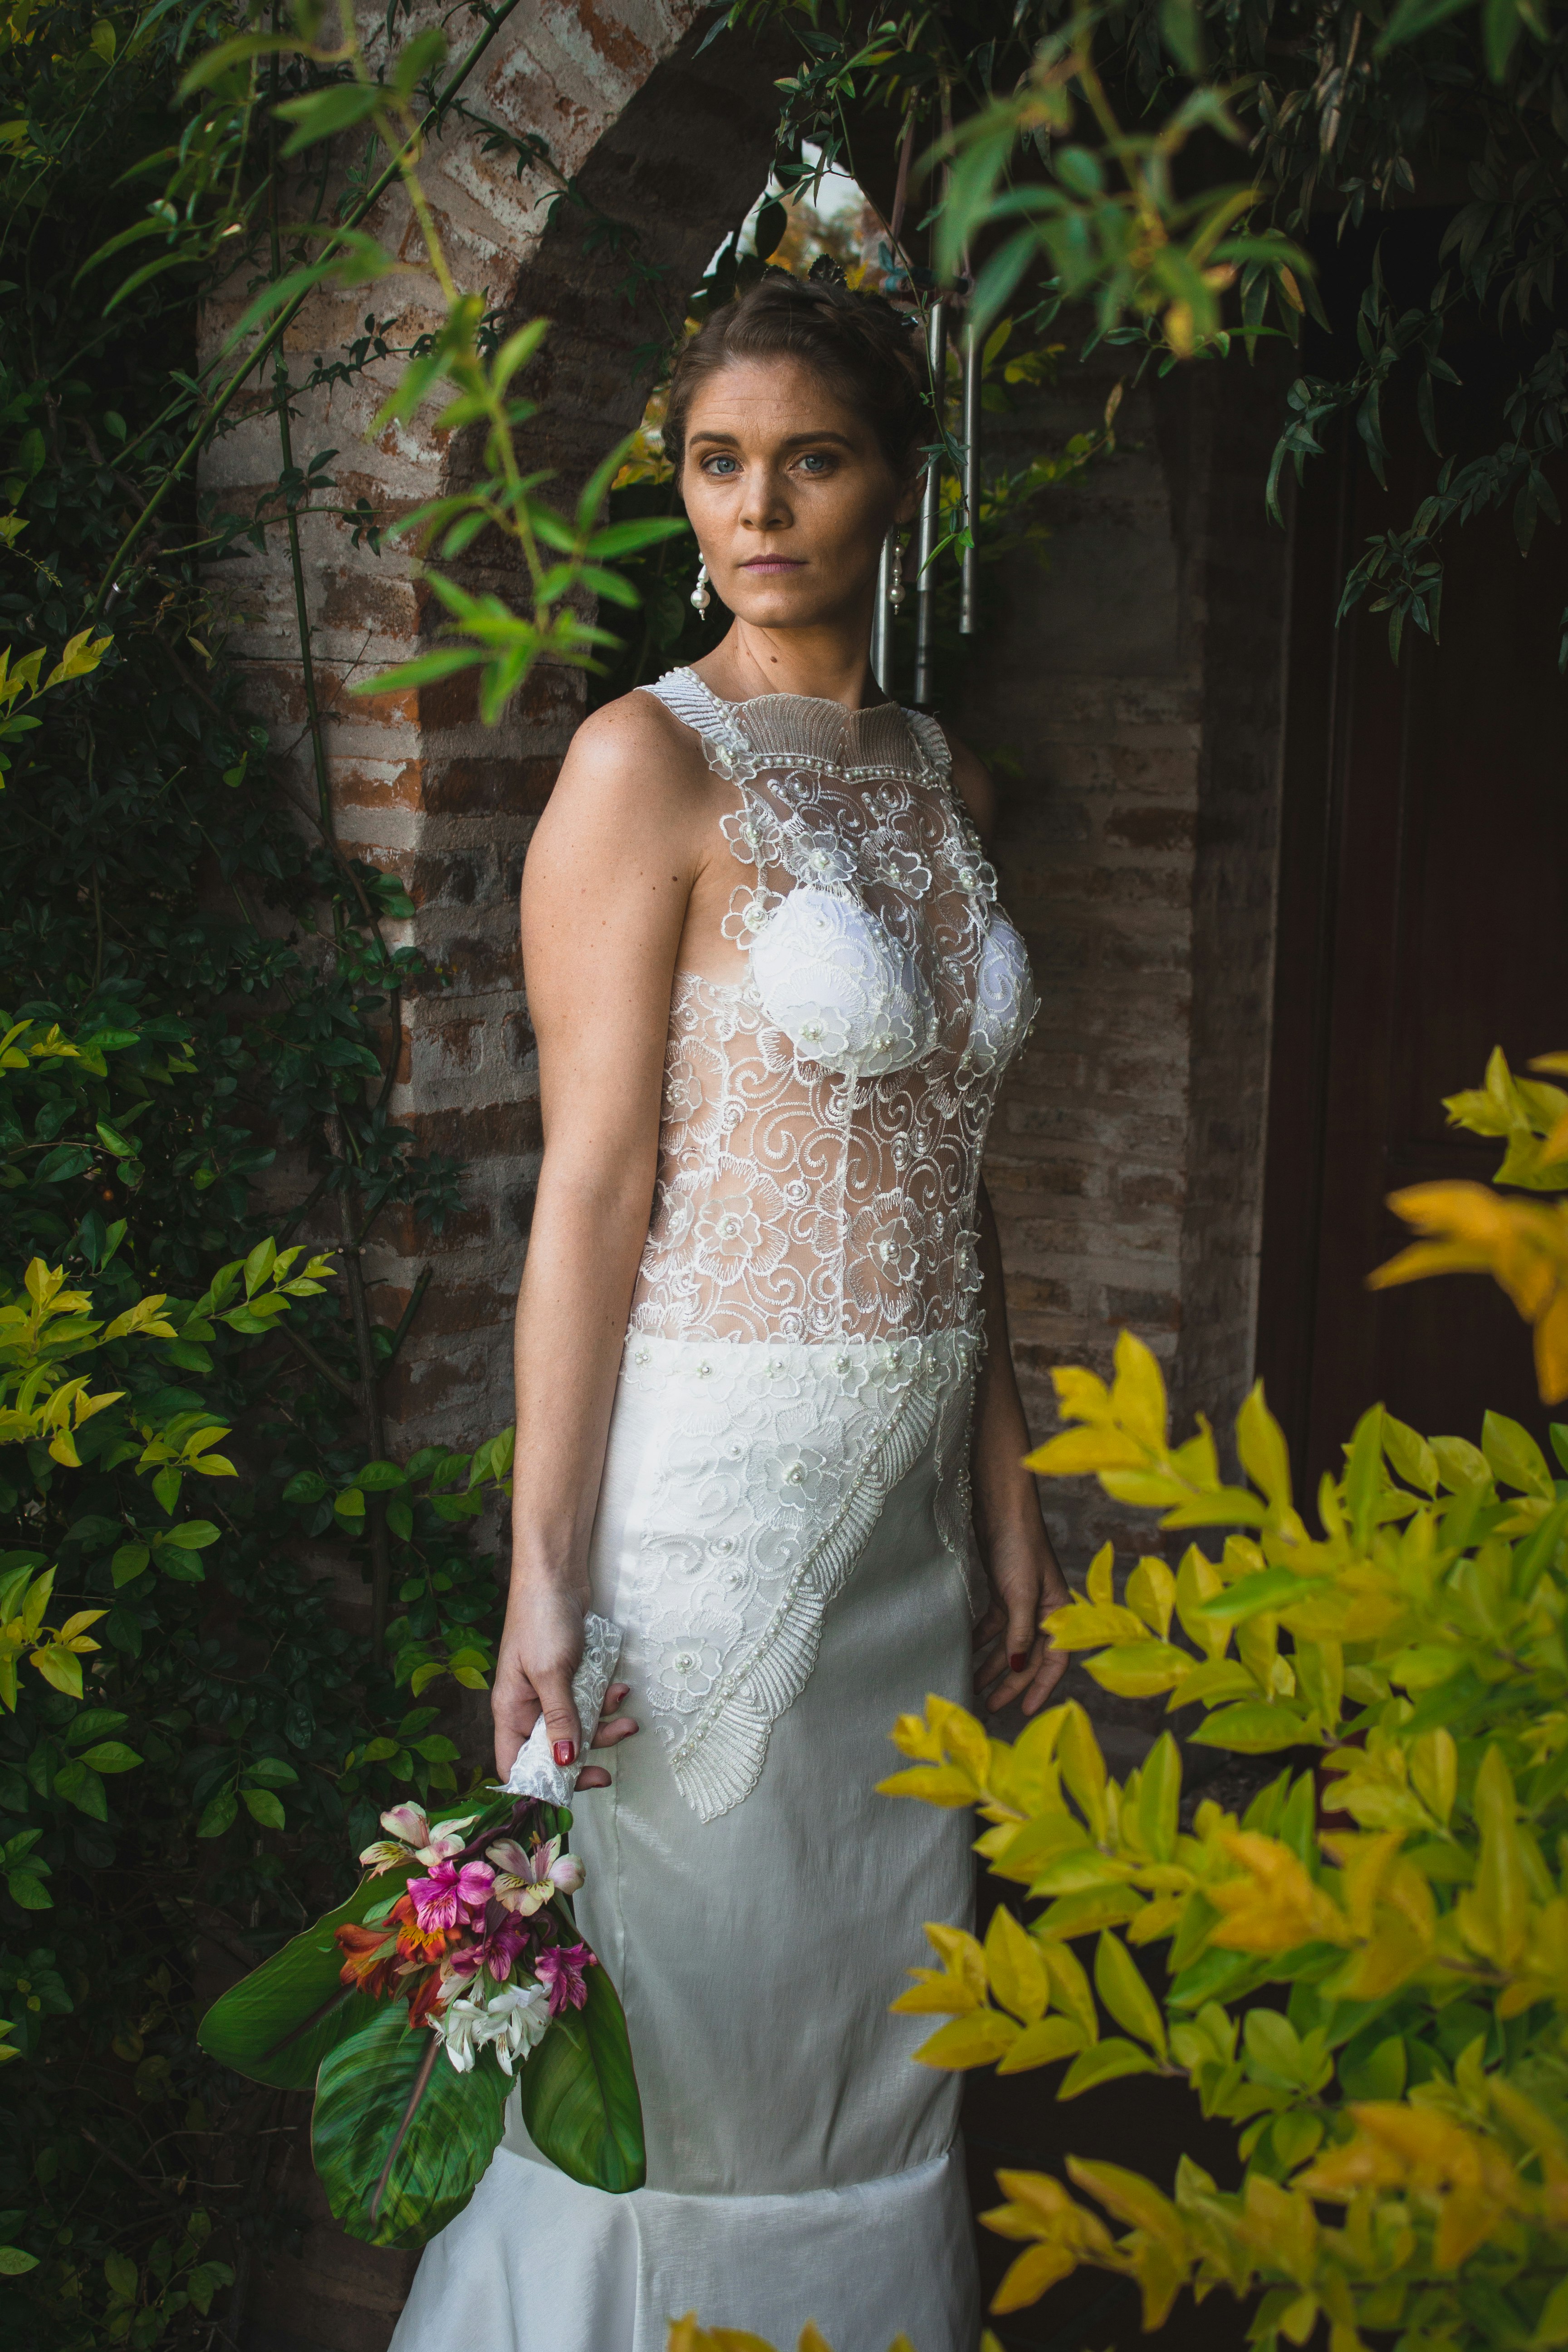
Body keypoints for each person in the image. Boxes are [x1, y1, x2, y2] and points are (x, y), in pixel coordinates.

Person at [389, 271, 1070, 2352]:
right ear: (680, 490)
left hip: (910, 1538)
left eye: (813, 458)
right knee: (687, 2066)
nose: (758, 506)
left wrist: (1013, 1480)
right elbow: (590, 1199)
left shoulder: (943, 781)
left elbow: (954, 1174)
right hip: (712, 1534)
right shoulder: (640, 769)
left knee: (872, 2046)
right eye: (716, 461)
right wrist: (545, 1573)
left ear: (893, 485)